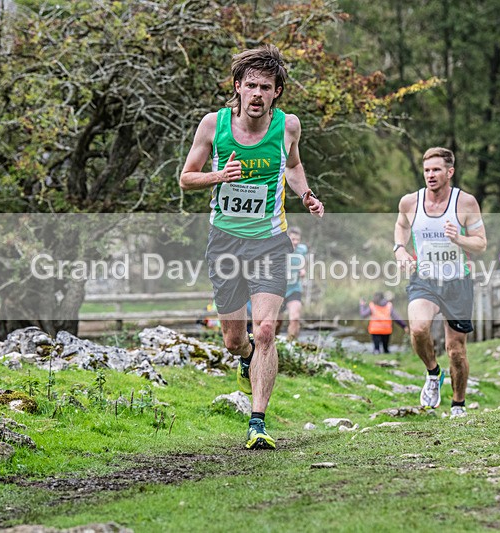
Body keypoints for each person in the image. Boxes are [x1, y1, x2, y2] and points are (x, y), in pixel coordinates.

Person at [180, 44, 324, 449]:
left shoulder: (288, 126)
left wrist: (306, 194)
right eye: (251, 85)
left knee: (264, 330)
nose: (257, 94)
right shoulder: (213, 125)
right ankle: (245, 358)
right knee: (234, 340)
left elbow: (293, 165)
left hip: (270, 243)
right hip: (225, 241)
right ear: (238, 87)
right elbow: (186, 178)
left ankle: (257, 422)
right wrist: (218, 177)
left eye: (266, 87)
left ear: (277, 91)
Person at [393, 147, 486, 419]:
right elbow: (401, 226)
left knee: (456, 351)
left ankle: (458, 405)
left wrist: (459, 239)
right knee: (418, 328)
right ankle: (433, 373)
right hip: (425, 280)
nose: (430, 175)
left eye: (436, 170)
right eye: (427, 170)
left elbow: (481, 244)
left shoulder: (465, 203)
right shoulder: (410, 202)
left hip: (457, 282)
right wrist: (400, 249)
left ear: (450, 172)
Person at [280, 226, 308, 340]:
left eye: (298, 239)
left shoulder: (302, 249)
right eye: (293, 239)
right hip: (279, 290)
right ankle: (274, 344)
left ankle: (291, 345)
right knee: (276, 322)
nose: (295, 242)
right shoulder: (279, 249)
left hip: (294, 288)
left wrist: (303, 269)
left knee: (295, 318)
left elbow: (303, 262)